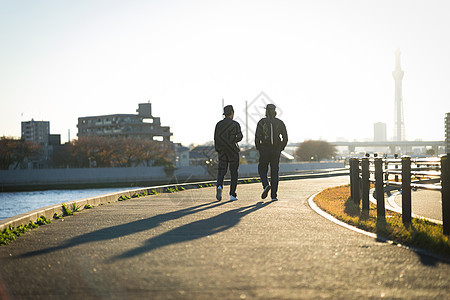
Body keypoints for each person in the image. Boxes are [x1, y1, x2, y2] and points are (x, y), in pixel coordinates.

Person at [255, 104, 288, 201]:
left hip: (265, 149)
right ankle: (274, 195)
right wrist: (281, 148)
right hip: (276, 150)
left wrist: (259, 148)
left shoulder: (262, 122)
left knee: (262, 169)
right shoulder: (280, 123)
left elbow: (257, 137)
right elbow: (285, 138)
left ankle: (265, 185)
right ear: (275, 111)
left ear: (266, 111)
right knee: (275, 171)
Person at [214, 105, 243, 201]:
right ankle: (232, 195)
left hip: (222, 151)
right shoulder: (235, 124)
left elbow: (216, 138)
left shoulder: (218, 124)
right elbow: (240, 137)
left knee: (221, 171)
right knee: (234, 172)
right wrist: (233, 139)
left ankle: (219, 187)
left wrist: (218, 149)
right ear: (232, 113)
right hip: (233, 150)